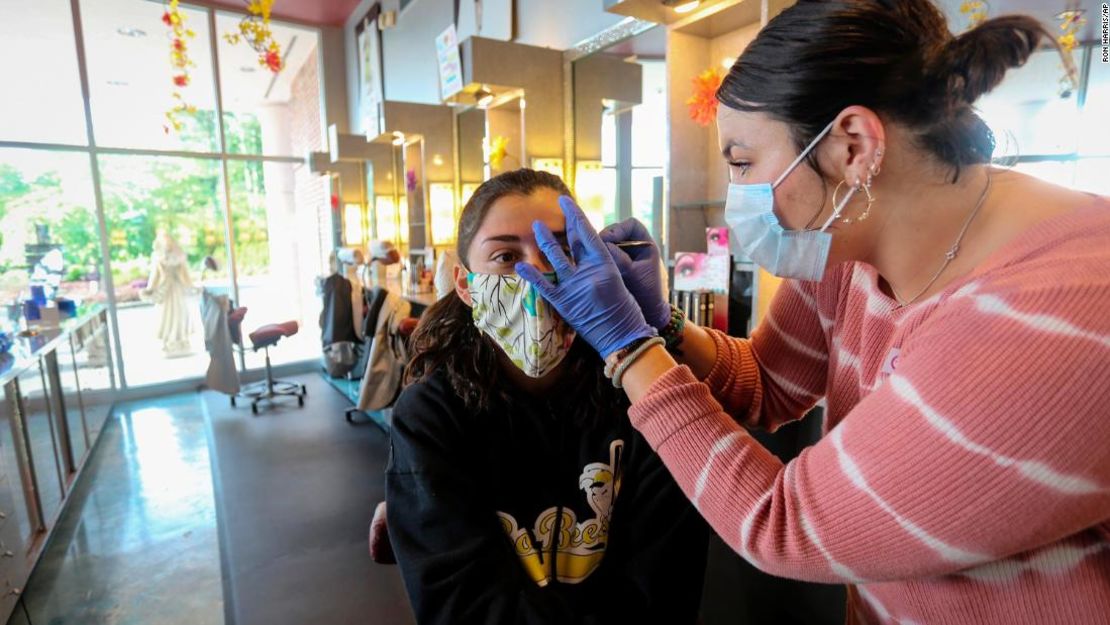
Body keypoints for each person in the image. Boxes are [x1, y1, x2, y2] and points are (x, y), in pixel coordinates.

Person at [513, 3, 1110, 624]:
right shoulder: (847, 243)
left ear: (852, 146)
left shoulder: (1046, 318)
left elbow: (782, 524)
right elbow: (766, 385)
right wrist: (662, 326)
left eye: (743, 162)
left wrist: (629, 348)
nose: (734, 193)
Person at [385, 169, 708, 625]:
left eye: (558, 250)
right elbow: (463, 606)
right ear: (465, 284)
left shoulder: (640, 400)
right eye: (504, 256)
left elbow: (665, 588)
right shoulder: (431, 416)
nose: (534, 274)